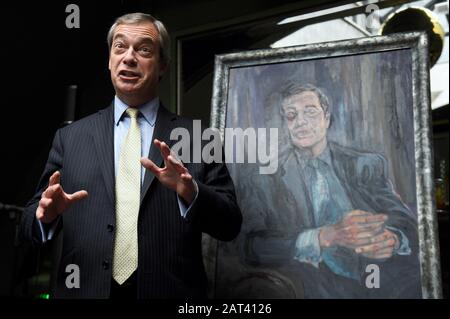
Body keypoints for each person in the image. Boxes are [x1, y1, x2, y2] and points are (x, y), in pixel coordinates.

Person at [20, 12, 242, 299]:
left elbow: (230, 224)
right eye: (120, 47)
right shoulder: (70, 138)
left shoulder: (199, 138)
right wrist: (43, 215)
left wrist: (192, 192)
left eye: (144, 49)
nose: (129, 57)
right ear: (110, 60)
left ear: (163, 65)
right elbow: (29, 221)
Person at [239, 82, 421, 298]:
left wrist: (393, 239)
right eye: (291, 115)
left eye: (310, 112)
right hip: (315, 279)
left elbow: (407, 223)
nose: (300, 122)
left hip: (378, 272)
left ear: (327, 118)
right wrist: (323, 237)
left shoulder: (365, 164)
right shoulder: (264, 177)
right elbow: (251, 247)